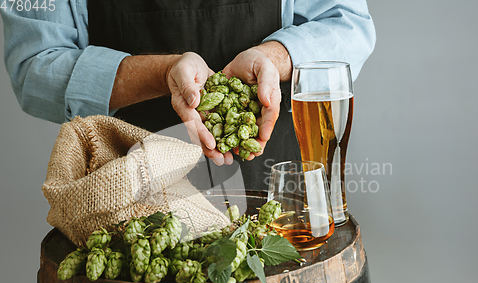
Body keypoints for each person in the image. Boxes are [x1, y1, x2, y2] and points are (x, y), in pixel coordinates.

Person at [1, 0, 376, 191]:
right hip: (128, 204)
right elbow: (34, 65)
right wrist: (164, 73)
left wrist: (273, 58)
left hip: (278, 194)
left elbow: (348, 22)